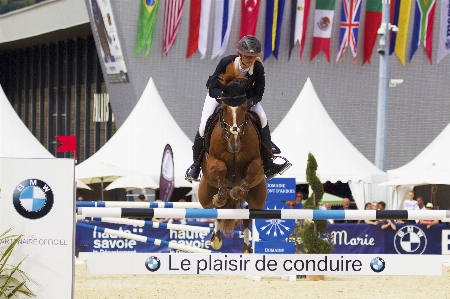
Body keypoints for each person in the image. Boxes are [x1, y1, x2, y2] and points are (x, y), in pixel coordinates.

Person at [185, 35, 290, 182]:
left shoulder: (258, 68)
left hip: (244, 101)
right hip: (219, 97)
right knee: (203, 126)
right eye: (247, 55)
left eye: (253, 56)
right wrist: (222, 97)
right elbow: (213, 85)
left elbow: (258, 93)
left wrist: (248, 103)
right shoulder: (227, 62)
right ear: (240, 53)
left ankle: (268, 163)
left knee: (263, 118)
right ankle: (195, 166)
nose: (250, 59)